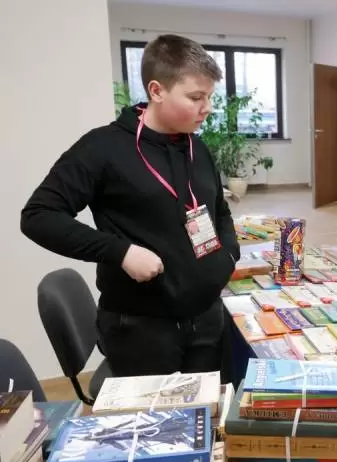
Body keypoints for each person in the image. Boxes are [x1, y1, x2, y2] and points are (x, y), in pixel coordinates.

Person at [20, 34, 239, 377]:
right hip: (141, 330)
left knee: (208, 409)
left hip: (206, 320)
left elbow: (219, 211)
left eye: (209, 96)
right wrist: (120, 252)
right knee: (154, 415)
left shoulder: (197, 148)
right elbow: (38, 216)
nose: (207, 107)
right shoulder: (102, 148)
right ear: (157, 91)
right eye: (196, 97)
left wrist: (228, 255)